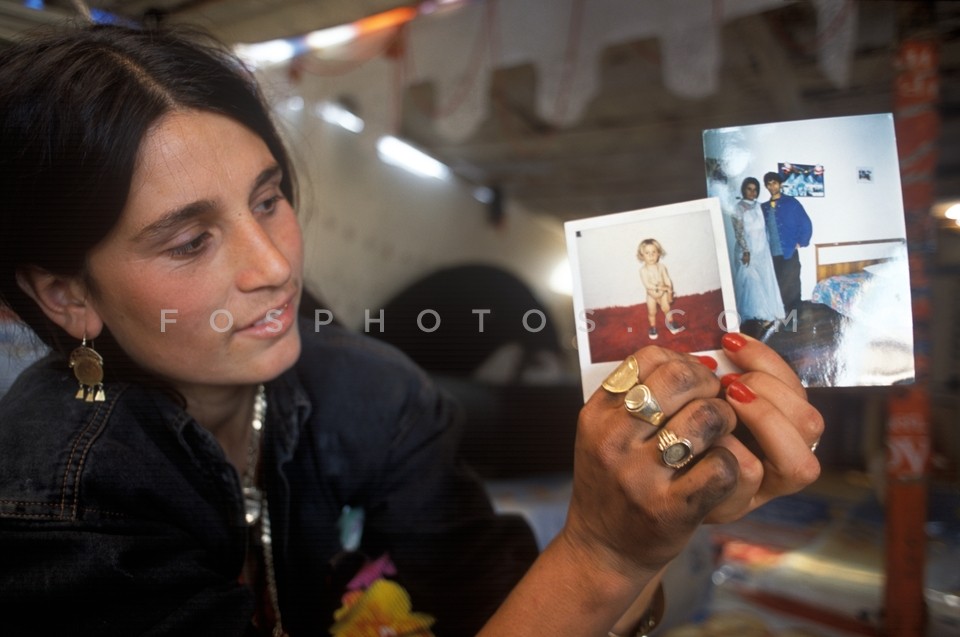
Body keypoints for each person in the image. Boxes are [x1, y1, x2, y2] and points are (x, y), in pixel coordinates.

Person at [0, 23, 823, 637]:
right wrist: (604, 552)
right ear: (68, 295)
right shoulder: (55, 489)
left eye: (268, 199)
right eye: (189, 241)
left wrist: (648, 530)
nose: (275, 265)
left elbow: (495, 605)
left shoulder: (374, 392)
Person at [731, 178, 785, 335]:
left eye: (755, 189)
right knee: (752, 283)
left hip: (763, 250)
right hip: (748, 250)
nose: (752, 192)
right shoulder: (738, 208)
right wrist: (746, 251)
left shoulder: (760, 206)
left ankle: (767, 314)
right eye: (749, 189)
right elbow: (739, 232)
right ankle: (760, 316)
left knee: (765, 280)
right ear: (744, 190)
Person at [761, 171, 814, 314]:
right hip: (772, 254)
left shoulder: (791, 203)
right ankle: (783, 313)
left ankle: (796, 316)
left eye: (774, 183)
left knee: (793, 284)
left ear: (780, 184)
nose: (772, 186)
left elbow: (806, 224)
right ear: (766, 186)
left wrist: (801, 242)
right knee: (778, 284)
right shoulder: (764, 207)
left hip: (789, 252)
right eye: (769, 184)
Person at [637, 238, 679, 340]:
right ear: (642, 255)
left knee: (667, 309)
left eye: (654, 252)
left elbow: (667, 279)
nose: (651, 256)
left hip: (663, 294)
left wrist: (669, 289)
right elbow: (647, 285)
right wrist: (660, 287)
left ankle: (671, 323)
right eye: (647, 253)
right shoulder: (643, 270)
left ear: (658, 253)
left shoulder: (661, 267)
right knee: (652, 312)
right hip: (651, 295)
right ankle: (653, 327)